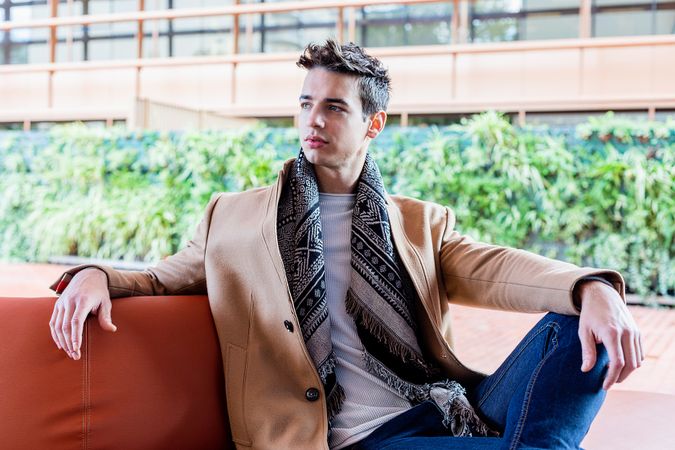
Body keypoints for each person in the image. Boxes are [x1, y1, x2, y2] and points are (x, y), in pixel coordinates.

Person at [48, 40, 642, 450]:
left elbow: (498, 269)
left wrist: (592, 287)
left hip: (436, 406)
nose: (315, 120)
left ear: (372, 124)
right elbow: (161, 277)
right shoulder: (234, 218)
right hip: (346, 436)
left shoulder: (417, 223)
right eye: (307, 103)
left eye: (334, 106)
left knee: (574, 320)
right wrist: (96, 274)